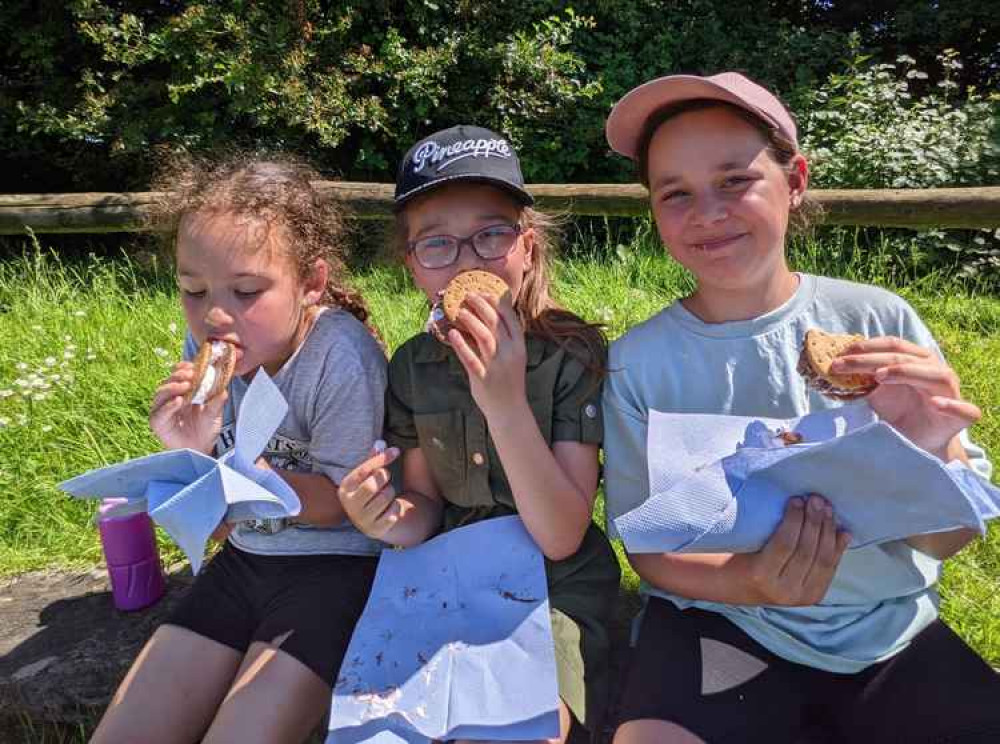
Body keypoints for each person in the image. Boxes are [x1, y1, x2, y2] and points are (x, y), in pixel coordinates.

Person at [601, 72, 1000, 744]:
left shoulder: (877, 322)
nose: (708, 211)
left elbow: (948, 540)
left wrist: (934, 451)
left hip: (887, 629)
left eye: (735, 180)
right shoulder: (638, 364)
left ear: (795, 180)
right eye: (676, 193)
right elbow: (650, 553)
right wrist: (755, 581)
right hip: (720, 621)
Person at [337, 125, 621, 744]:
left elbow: (561, 535)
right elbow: (423, 507)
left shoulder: (573, 355)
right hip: (447, 573)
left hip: (556, 584)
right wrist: (381, 518)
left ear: (528, 246)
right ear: (411, 264)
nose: (467, 261)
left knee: (522, 729)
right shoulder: (412, 367)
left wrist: (504, 403)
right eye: (437, 245)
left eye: (491, 234)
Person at [91, 155, 388, 744]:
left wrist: (244, 474)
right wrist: (189, 454)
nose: (215, 317)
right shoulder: (207, 345)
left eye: (247, 291)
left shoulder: (339, 358)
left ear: (312, 282)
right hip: (242, 563)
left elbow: (344, 504)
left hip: (337, 572)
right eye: (192, 291)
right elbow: (222, 528)